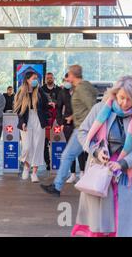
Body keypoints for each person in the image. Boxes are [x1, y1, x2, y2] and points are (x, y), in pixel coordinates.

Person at [72, 75, 132, 237]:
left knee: (125, 222)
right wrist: (96, 151)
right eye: (122, 98)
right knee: (99, 223)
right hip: (100, 173)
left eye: (130, 100)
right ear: (115, 94)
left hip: (127, 176)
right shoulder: (99, 109)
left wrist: (123, 163)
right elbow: (82, 133)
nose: (125, 103)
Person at [41, 65, 97, 196]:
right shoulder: (85, 86)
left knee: (67, 156)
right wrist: (73, 116)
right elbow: (87, 105)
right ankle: (58, 185)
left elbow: (93, 108)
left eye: (69, 74)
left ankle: (57, 186)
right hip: (83, 126)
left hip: (83, 128)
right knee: (76, 156)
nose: (67, 77)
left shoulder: (82, 89)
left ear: (72, 75)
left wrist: (88, 123)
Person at [14, 71, 49, 182]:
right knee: (27, 147)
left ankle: (34, 173)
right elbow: (19, 110)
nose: (36, 80)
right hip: (26, 121)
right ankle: (26, 166)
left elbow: (45, 106)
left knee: (38, 146)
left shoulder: (40, 91)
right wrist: (22, 122)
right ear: (27, 80)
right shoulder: (21, 92)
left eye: (37, 78)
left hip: (38, 120)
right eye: (34, 78)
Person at [56, 74, 83, 183]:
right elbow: (58, 109)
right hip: (67, 124)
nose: (67, 82)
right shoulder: (62, 92)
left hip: (80, 123)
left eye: (68, 80)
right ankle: (72, 174)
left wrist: (74, 116)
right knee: (70, 149)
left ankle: (82, 172)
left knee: (81, 149)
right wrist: (61, 122)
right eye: (65, 80)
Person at [41, 72, 61, 171]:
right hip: (45, 119)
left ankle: (56, 161)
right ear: (45, 79)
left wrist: (55, 103)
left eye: (51, 78)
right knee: (45, 142)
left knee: (56, 140)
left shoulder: (58, 89)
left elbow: (62, 102)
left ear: (53, 78)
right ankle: (48, 163)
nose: (49, 79)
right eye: (47, 78)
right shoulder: (41, 90)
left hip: (56, 119)